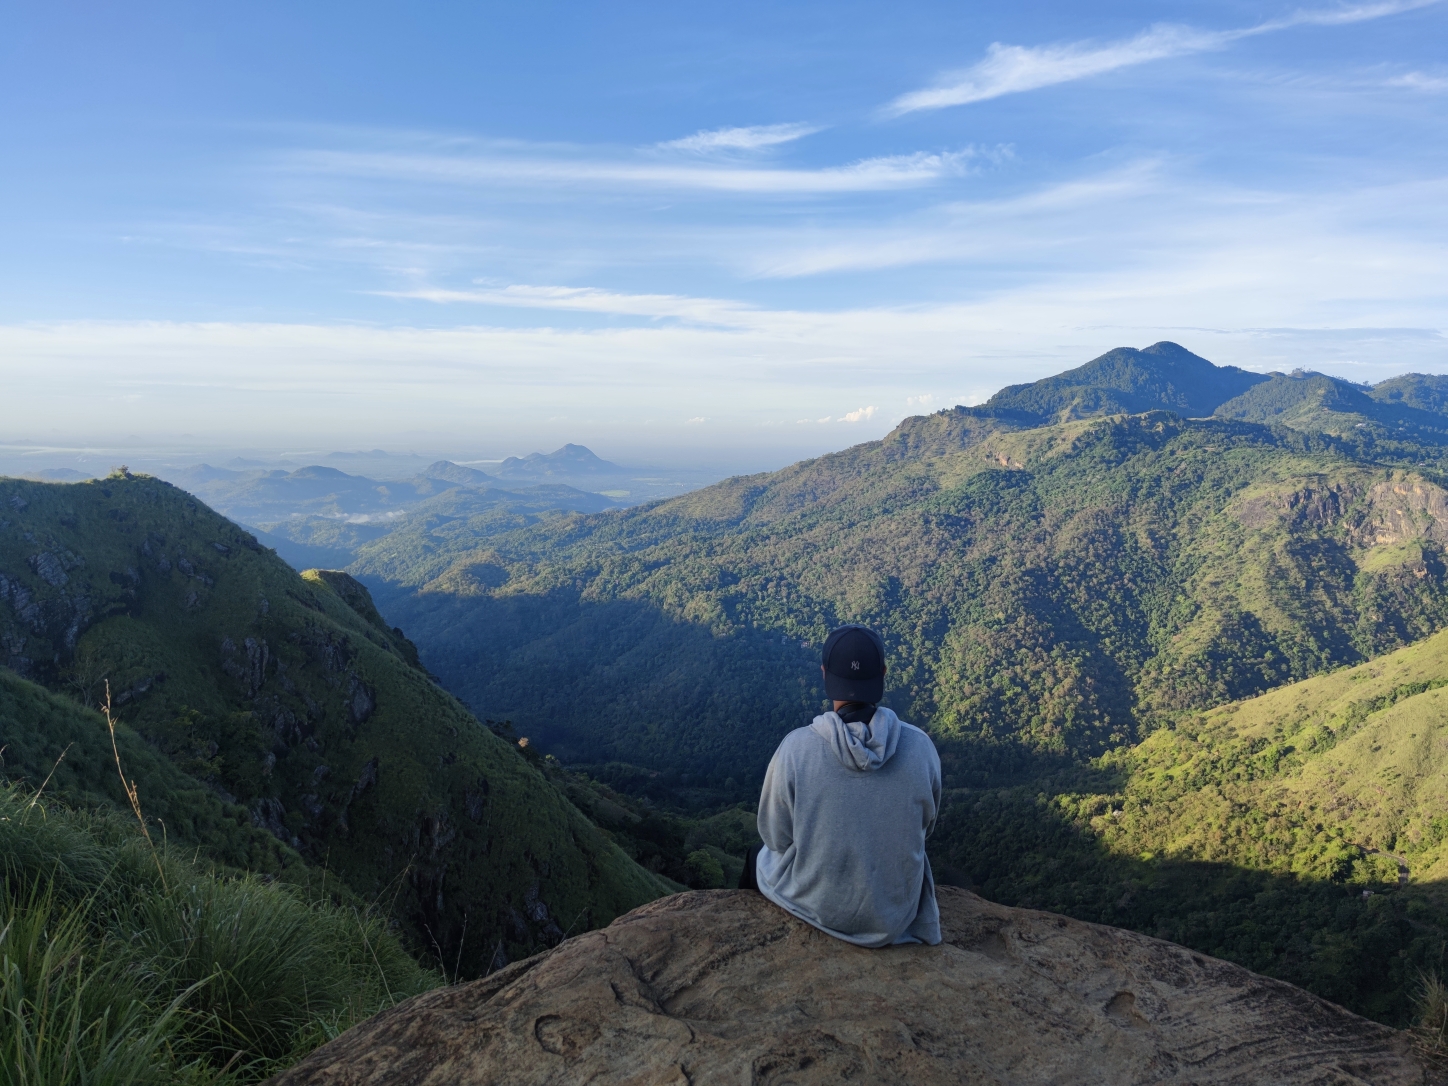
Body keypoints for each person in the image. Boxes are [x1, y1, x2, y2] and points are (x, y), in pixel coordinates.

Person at [739, 624, 942, 947]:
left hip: (817, 907)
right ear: (884, 673)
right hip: (892, 916)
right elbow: (925, 827)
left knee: (755, 856)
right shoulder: (921, 747)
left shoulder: (796, 747)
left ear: (824, 673)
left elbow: (775, 837)